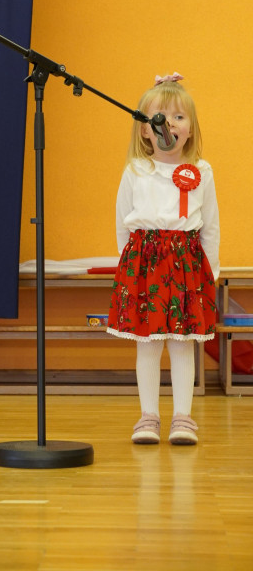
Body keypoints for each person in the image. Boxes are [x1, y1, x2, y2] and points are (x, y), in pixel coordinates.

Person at [108, 73, 219, 445]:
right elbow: (123, 225)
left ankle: (183, 418)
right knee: (149, 342)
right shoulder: (136, 171)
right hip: (145, 266)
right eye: (160, 117)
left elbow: (211, 227)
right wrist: (129, 270)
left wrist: (211, 274)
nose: (169, 124)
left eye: (178, 117)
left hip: (187, 266)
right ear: (144, 129)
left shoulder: (202, 173)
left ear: (190, 129)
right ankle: (149, 417)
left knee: (183, 342)